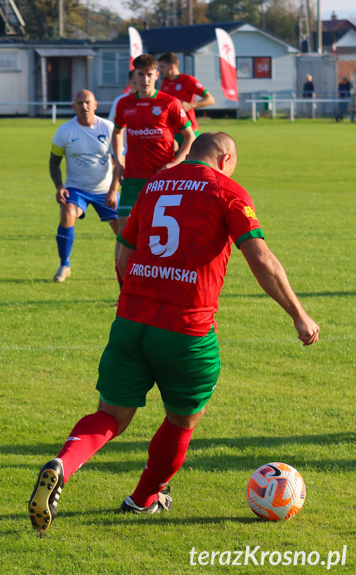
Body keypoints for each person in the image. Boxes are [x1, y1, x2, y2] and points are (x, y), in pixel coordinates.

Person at [27, 132, 319, 533]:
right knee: (182, 421)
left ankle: (63, 463)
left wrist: (133, 298)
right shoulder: (228, 190)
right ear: (226, 157)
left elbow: (123, 252)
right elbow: (260, 257)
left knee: (109, 415)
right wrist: (299, 314)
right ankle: (144, 498)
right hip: (186, 330)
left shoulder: (154, 185)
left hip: (131, 321)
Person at [110, 54, 195, 286]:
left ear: (157, 75)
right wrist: (119, 161)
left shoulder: (169, 103)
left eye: (149, 75)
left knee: (161, 238)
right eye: (141, 75)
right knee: (125, 233)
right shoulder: (124, 104)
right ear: (134, 77)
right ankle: (126, 294)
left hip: (162, 181)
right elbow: (117, 131)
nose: (145, 79)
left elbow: (190, 137)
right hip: (133, 180)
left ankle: (162, 287)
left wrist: (176, 163)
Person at [49, 90, 119, 283]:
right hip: (76, 189)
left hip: (105, 190)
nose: (84, 107)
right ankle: (65, 265)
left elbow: (120, 163)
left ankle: (132, 270)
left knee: (125, 232)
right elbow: (54, 162)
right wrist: (59, 187)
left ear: (95, 104)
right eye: (79, 103)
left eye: (87, 102)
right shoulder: (65, 131)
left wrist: (113, 190)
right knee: (66, 214)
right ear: (74, 107)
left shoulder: (108, 128)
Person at [157, 52, 215, 147]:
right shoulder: (165, 83)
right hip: (171, 131)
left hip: (188, 129)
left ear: (171, 66)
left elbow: (210, 99)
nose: (160, 70)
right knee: (174, 161)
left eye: (162, 67)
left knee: (189, 160)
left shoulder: (187, 80)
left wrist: (191, 105)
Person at [108, 70, 137, 157]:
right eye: (134, 82)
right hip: (123, 147)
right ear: (129, 83)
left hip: (143, 149)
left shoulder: (150, 102)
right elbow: (111, 123)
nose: (138, 85)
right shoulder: (120, 101)